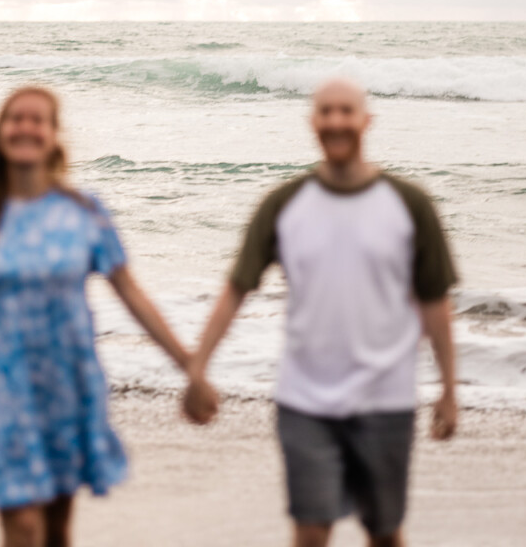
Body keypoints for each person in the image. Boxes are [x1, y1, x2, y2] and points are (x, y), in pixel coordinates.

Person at [0, 85, 193, 547]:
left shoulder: (85, 212)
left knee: (59, 529)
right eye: (15, 118)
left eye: (37, 119)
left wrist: (190, 366)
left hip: (65, 383)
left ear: (54, 136)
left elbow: (131, 295)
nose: (25, 127)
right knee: (24, 527)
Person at [182, 77, 459, 547]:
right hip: (304, 401)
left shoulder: (409, 204)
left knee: (385, 532)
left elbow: (435, 302)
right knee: (310, 532)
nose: (335, 121)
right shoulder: (285, 204)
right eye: (325, 112)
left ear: (366, 120)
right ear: (312, 122)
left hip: (385, 400)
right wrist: (197, 368)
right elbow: (236, 289)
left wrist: (449, 390)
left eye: (345, 111)